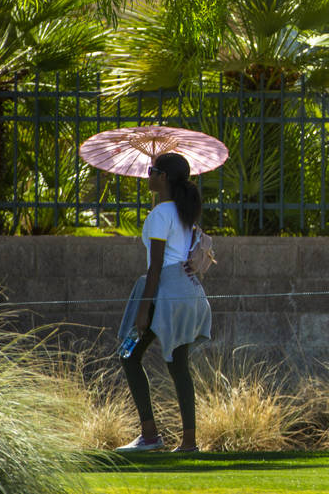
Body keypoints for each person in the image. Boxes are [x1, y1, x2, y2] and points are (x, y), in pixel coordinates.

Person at [116, 152, 212, 453]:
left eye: (152, 170)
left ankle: (149, 436)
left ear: (164, 177)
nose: (148, 175)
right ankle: (189, 443)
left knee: (129, 355)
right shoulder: (184, 213)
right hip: (189, 294)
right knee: (179, 366)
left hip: (165, 294)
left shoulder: (160, 214)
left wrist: (143, 310)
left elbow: (155, 266)